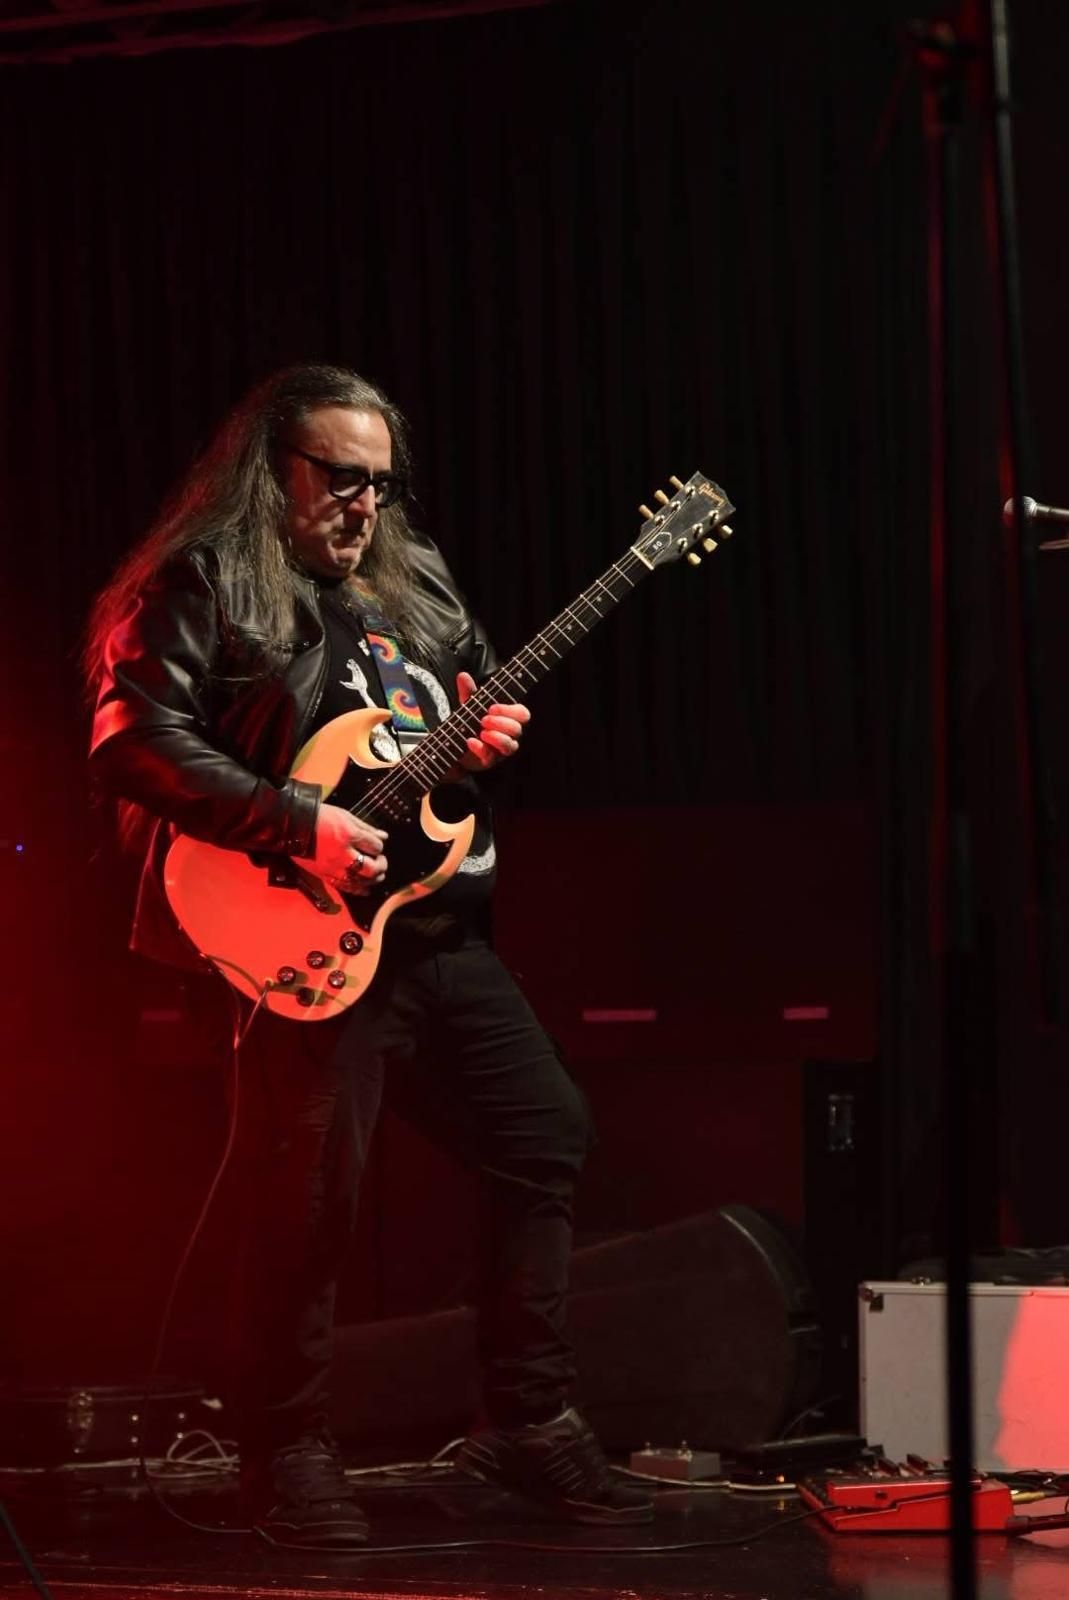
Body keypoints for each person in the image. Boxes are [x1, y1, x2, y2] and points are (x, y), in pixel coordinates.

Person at [84, 362, 653, 1548]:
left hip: (428, 930)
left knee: (542, 1132)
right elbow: (134, 742)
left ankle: (528, 1419)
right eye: (339, 480)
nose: (365, 509)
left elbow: (442, 730)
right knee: (305, 1205)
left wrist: (482, 737)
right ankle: (282, 1450)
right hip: (296, 931)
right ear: (268, 474)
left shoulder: (419, 583)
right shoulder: (203, 581)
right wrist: (296, 823)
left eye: (381, 485)